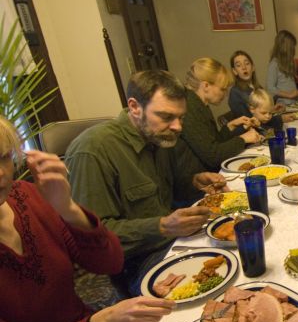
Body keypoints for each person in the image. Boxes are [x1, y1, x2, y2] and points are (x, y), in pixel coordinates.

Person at [0, 121, 174, 322]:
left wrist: (68, 208)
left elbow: (110, 263)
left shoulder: (25, 196)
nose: (1, 174)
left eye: (3, 157)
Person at [65, 70, 228, 295]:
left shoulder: (158, 136)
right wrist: (161, 226)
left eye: (181, 117)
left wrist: (194, 182)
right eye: (167, 116)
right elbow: (94, 240)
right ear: (134, 107)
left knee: (237, 248)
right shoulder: (93, 149)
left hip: (173, 241)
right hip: (134, 264)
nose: (178, 127)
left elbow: (167, 193)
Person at [177, 57, 262, 178]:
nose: (225, 93)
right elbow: (213, 156)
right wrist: (243, 139)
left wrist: (230, 126)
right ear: (206, 86)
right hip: (197, 182)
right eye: (222, 89)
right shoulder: (190, 109)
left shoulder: (199, 103)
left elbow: (212, 142)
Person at [228, 50, 294, 134]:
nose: (244, 67)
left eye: (247, 63)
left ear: (253, 67)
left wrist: (272, 110)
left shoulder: (257, 87)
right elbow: (251, 122)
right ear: (234, 71)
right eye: (238, 65)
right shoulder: (235, 93)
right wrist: (279, 119)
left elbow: (262, 115)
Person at [266, 30, 298, 107]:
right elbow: (270, 88)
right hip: (283, 104)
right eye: (292, 47)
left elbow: (290, 86)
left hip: (295, 103)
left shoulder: (290, 62)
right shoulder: (274, 64)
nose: (294, 50)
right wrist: (289, 95)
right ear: (285, 48)